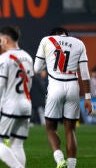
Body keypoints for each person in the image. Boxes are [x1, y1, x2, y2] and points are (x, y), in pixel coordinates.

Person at [34, 27, 92, 168]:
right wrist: (88, 98)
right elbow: (85, 73)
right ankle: (72, 166)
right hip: (72, 86)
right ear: (66, 34)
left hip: (55, 86)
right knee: (70, 130)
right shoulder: (79, 43)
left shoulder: (47, 41)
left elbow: (36, 69)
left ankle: (59, 159)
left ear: (53, 35)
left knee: (50, 128)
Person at [0, 26, 34, 168]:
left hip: (11, 104)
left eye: (1, 40)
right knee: (17, 144)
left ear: (6, 39)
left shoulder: (5, 58)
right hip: (26, 104)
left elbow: (0, 84)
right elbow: (29, 82)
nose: (0, 43)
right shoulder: (28, 57)